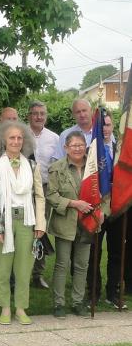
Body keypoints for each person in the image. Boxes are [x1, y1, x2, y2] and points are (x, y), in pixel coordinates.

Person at [0, 121, 46, 325]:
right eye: (12, 137)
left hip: (27, 221)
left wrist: (40, 224)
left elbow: (39, 196)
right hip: (3, 221)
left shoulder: (31, 165)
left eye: (20, 138)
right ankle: (4, 308)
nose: (16, 141)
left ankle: (20, 308)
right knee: (2, 268)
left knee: (24, 268)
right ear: (3, 140)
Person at [47, 131, 108, 318]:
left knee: (82, 265)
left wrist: (103, 211)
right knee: (62, 264)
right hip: (66, 221)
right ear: (66, 147)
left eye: (81, 145)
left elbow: (104, 193)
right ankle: (58, 304)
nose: (78, 149)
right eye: (73, 145)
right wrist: (73, 203)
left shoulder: (94, 168)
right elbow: (51, 195)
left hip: (87, 222)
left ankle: (77, 302)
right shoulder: (57, 168)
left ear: (86, 147)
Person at [86, 112, 123, 307]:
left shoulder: (122, 150)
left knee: (116, 252)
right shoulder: (90, 151)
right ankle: (93, 292)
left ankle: (113, 293)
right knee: (94, 251)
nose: (105, 129)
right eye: (101, 126)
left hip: (117, 208)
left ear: (113, 126)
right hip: (97, 208)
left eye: (108, 125)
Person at [28, 101, 59, 289]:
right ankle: (20, 271)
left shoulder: (54, 138)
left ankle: (37, 274)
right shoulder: (21, 134)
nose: (39, 117)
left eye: (42, 113)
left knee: (41, 230)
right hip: (23, 189)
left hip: (45, 189)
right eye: (35, 113)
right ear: (29, 115)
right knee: (23, 230)